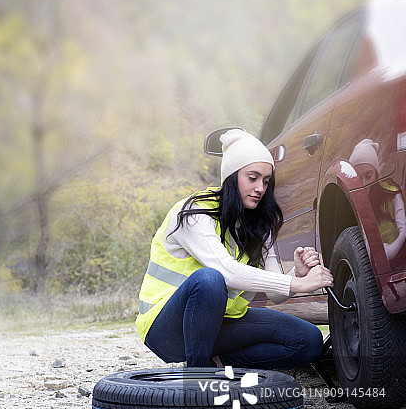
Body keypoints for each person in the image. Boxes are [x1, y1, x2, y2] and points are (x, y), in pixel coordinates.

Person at [136, 129, 333, 369]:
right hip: (165, 328)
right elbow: (225, 272)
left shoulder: (260, 225)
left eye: (266, 181)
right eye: (253, 178)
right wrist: (300, 285)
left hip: (219, 324)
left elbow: (276, 294)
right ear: (231, 176)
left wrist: (296, 275)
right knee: (209, 279)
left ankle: (219, 362)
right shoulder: (194, 213)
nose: (261, 188)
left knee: (308, 340)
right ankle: (199, 373)